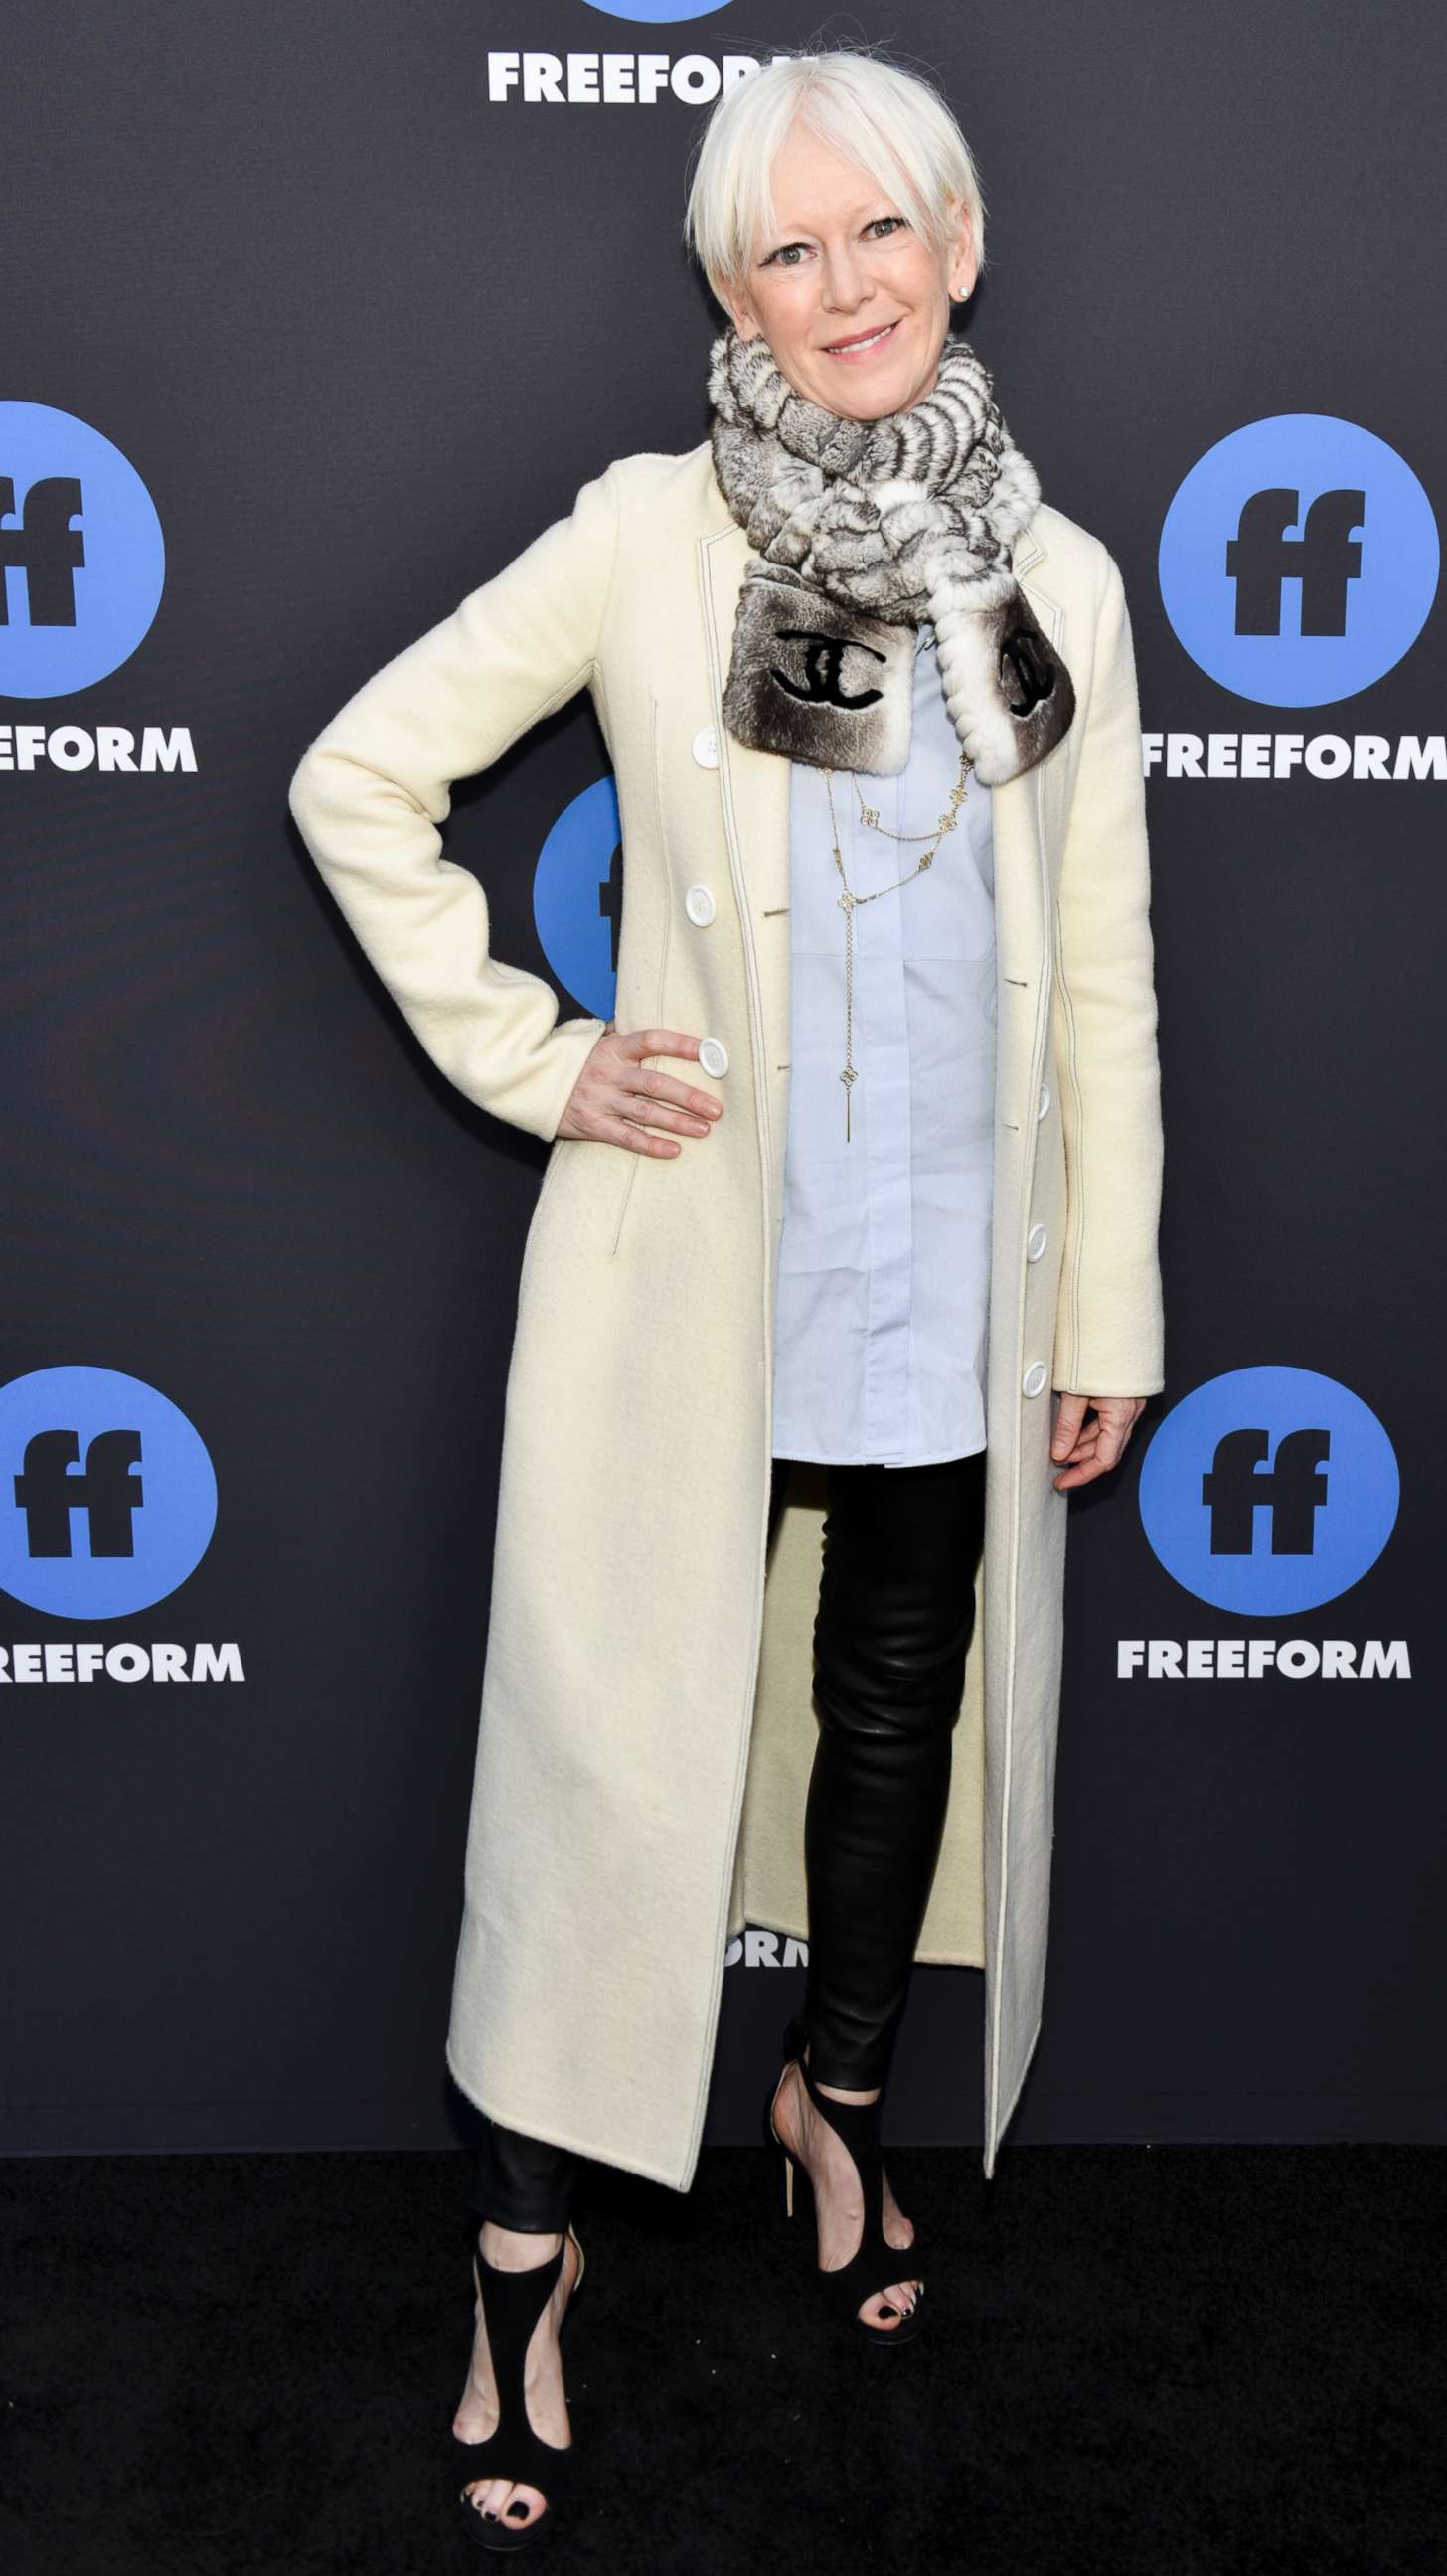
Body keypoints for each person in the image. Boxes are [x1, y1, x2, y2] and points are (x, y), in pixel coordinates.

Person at [287, 43, 1164, 2549]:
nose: (843, 284)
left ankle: (833, 2105)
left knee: (897, 1713)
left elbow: (1094, 971)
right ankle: (525, 2256)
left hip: (951, 1287)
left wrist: (1105, 1301)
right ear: (727, 289)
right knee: (608, 1761)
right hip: (694, 1283)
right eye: (787, 248)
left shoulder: (1064, 580)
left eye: (879, 230)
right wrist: (535, 1060)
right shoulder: (652, 538)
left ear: (961, 245)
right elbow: (358, 775)